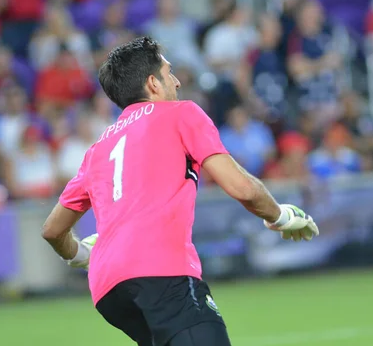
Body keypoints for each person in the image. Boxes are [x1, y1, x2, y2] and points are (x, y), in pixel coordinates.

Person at [41, 37, 319, 346]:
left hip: (108, 290)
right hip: (162, 273)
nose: (176, 82)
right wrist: (281, 216)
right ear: (153, 83)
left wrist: (81, 254)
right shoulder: (181, 113)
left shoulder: (97, 149)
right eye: (169, 72)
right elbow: (242, 187)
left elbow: (53, 230)